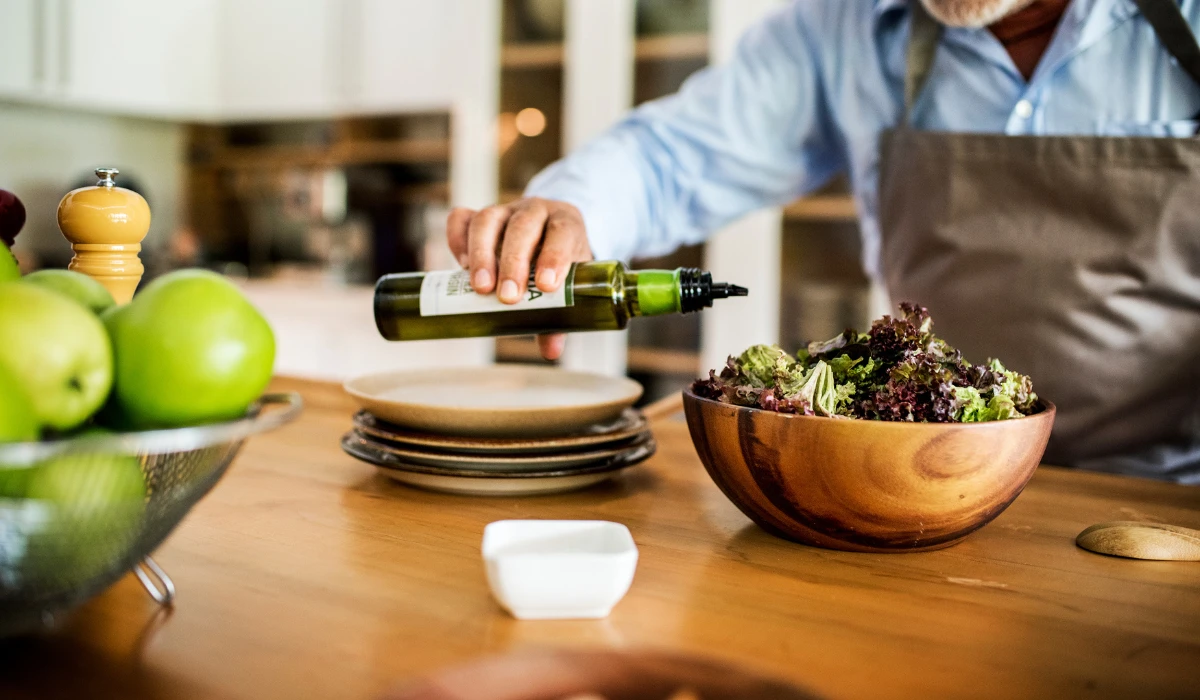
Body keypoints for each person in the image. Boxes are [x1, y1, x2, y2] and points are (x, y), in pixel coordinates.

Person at [446, 0, 1200, 483]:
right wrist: (569, 215)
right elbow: (674, 157)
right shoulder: (840, 29)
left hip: (1161, 498)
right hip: (920, 481)